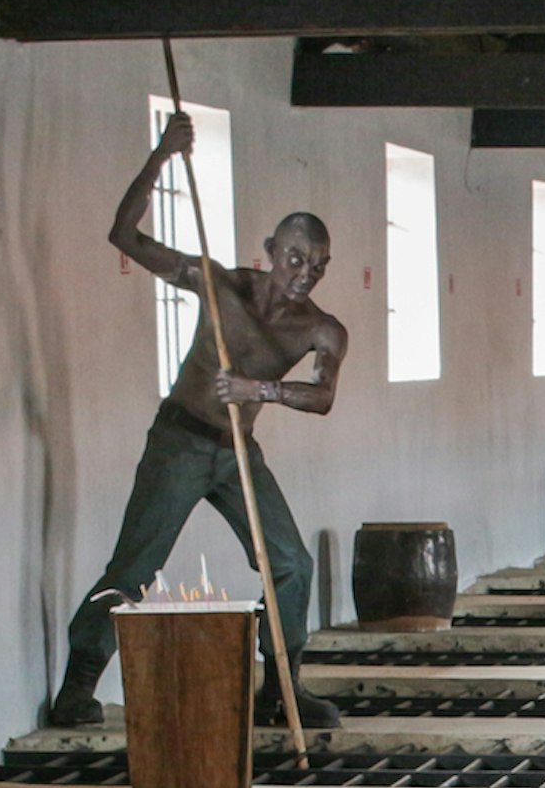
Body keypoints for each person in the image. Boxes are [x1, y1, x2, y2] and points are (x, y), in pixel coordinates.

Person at [47, 111, 352, 731]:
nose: (304, 273)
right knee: (135, 568)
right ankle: (77, 687)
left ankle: (281, 689)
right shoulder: (220, 286)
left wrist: (256, 388)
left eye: (318, 265)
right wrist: (162, 153)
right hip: (181, 441)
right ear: (270, 252)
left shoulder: (322, 329)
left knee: (290, 561)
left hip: (239, 450)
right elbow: (124, 234)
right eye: (295, 258)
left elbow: (321, 399)